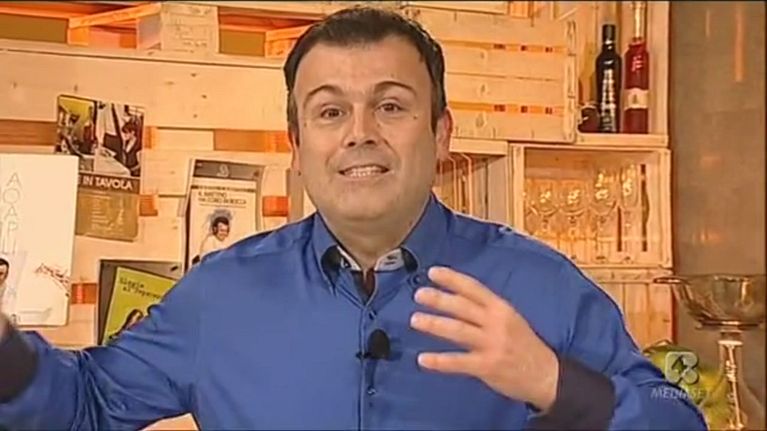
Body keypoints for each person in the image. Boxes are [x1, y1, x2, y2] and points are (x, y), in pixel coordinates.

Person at [0, 7, 707, 431]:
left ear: (441, 134)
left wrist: (555, 382)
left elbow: (675, 419)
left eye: (391, 106)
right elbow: (85, 405)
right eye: (330, 111)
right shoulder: (220, 296)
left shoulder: (538, 284)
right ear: (297, 144)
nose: (360, 133)